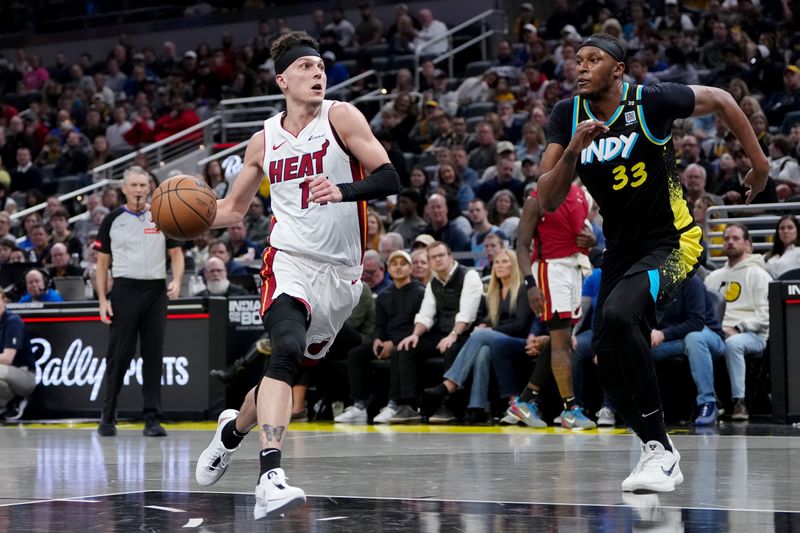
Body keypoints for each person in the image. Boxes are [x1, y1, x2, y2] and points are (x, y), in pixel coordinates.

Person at [536, 33, 768, 492]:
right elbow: (547, 197)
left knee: (622, 314)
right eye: (576, 60)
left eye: (593, 60)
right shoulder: (568, 115)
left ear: (618, 70)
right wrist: (573, 150)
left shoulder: (650, 101)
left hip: (675, 241)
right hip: (622, 250)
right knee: (603, 359)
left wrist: (758, 163)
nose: (580, 67)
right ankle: (656, 449)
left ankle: (660, 449)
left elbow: (722, 99)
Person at [193, 31, 400, 519]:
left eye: (321, 65)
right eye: (305, 67)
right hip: (287, 260)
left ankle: (230, 433)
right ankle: (271, 476)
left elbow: (390, 177)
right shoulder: (263, 139)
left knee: (280, 374)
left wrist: (343, 189)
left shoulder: (342, 117)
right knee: (284, 349)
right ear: (282, 79)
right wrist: (178, 222)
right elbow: (232, 210)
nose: (317, 73)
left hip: (343, 277)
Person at [95, 166, 185, 438]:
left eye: (142, 185)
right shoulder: (112, 219)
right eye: (133, 185)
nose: (137, 190)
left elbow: (177, 253)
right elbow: (101, 264)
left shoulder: (161, 216)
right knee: (119, 356)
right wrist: (102, 299)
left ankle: (152, 419)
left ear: (149, 188)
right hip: (124, 289)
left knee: (153, 356)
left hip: (155, 291)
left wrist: (177, 280)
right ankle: (108, 417)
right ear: (123, 188)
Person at [516, 183, 596, 429]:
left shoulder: (582, 194)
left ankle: (526, 400)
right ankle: (570, 410)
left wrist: (591, 240)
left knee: (561, 340)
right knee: (562, 342)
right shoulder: (536, 199)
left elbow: (587, 232)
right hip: (550, 270)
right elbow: (520, 245)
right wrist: (530, 285)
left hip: (573, 269)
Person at [423, 248, 533, 424]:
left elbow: (520, 324)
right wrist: (485, 324)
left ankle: (451, 383)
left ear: (515, 265)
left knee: (481, 335)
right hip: (499, 342)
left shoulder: (522, 289)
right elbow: (492, 319)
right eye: (497, 262)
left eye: (505, 261)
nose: (500, 265)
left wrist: (489, 331)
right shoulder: (495, 291)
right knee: (482, 351)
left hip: (521, 341)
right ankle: (477, 407)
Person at [392, 241, 482, 424]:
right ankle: (410, 406)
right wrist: (415, 334)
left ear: (450, 257)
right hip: (442, 332)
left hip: (466, 333)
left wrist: (453, 335)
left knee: (451, 348)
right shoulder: (433, 282)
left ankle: (449, 406)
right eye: (433, 257)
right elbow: (426, 313)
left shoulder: (469, 275)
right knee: (407, 348)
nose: (438, 260)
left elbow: (468, 313)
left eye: (441, 255)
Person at [335, 250, 426, 424]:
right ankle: (359, 405)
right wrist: (378, 339)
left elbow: (416, 325)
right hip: (386, 341)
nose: (398, 267)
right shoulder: (385, 295)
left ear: (410, 268)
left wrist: (393, 343)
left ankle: (393, 404)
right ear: (389, 269)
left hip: (407, 341)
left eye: (403, 264)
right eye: (394, 264)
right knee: (356, 354)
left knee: (398, 352)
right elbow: (380, 325)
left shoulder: (420, 292)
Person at [703, 224, 771, 421]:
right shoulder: (713, 277)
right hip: (719, 332)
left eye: (735, 238)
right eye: (726, 238)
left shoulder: (759, 275)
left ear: (748, 244)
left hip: (754, 335)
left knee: (733, 343)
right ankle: (711, 402)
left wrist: (738, 328)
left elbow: (766, 315)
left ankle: (739, 402)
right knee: (696, 340)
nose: (730, 242)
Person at [0, 288, 35, 421]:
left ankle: (17, 399)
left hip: (25, 375)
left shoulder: (12, 321)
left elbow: (7, 359)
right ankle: (7, 406)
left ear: (4, 301)